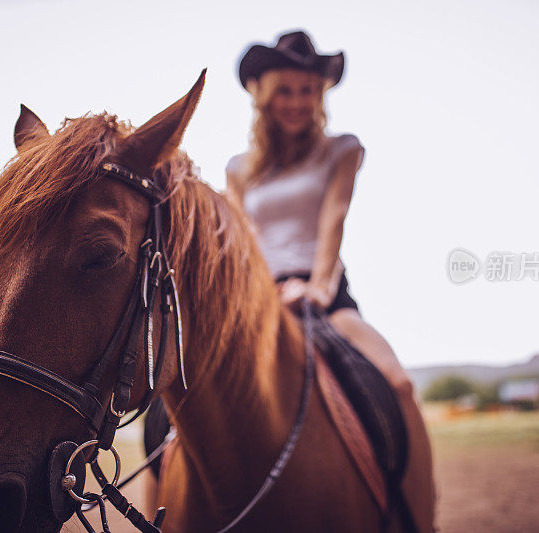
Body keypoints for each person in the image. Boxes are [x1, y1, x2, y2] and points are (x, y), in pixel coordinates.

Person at [226, 30, 436, 532]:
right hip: (257, 296)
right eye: (286, 90)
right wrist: (260, 294)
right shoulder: (238, 170)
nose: (297, 102)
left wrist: (318, 288)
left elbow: (333, 218)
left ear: (319, 96)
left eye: (307, 90)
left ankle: (420, 519)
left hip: (322, 291)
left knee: (399, 384)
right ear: (264, 95)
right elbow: (245, 238)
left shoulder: (342, 149)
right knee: (177, 408)